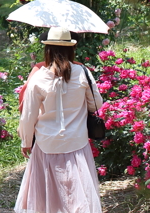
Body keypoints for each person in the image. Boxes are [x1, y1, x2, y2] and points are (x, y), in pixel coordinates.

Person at [15, 27, 104, 213]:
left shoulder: (38, 78)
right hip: (77, 143)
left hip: (47, 144)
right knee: (78, 196)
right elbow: (96, 104)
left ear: (47, 50)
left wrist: (25, 141)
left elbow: (28, 115)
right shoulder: (82, 72)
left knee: (46, 198)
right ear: (71, 49)